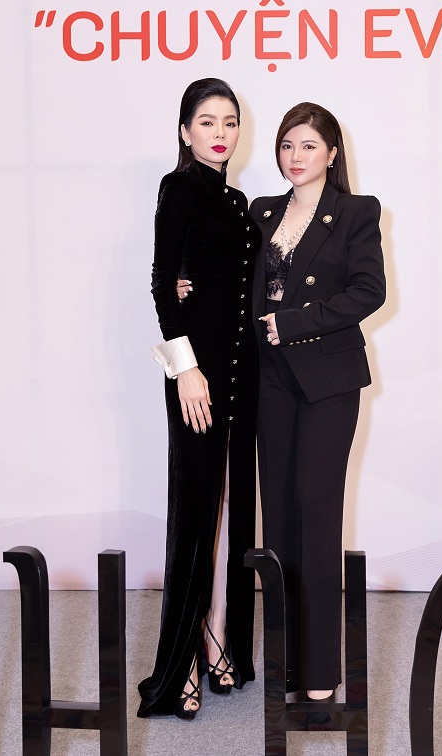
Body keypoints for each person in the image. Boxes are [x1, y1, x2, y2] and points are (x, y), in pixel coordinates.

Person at [249, 102, 386, 701]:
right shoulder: (261, 211)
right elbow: (238, 282)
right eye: (287, 145)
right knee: (277, 509)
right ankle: (284, 658)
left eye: (308, 145)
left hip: (329, 379)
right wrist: (186, 284)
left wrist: (294, 323)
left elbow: (369, 291)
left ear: (332, 153)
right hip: (269, 378)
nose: (295, 156)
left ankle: (321, 670)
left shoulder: (356, 211)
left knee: (316, 504)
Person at [138, 78, 260, 720]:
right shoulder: (179, 187)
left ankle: (217, 633)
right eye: (207, 121)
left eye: (230, 122)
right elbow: (163, 282)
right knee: (196, 513)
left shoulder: (238, 201)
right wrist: (185, 370)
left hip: (243, 373)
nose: (220, 132)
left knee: (233, 508)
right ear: (186, 132)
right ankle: (182, 656)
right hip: (199, 376)